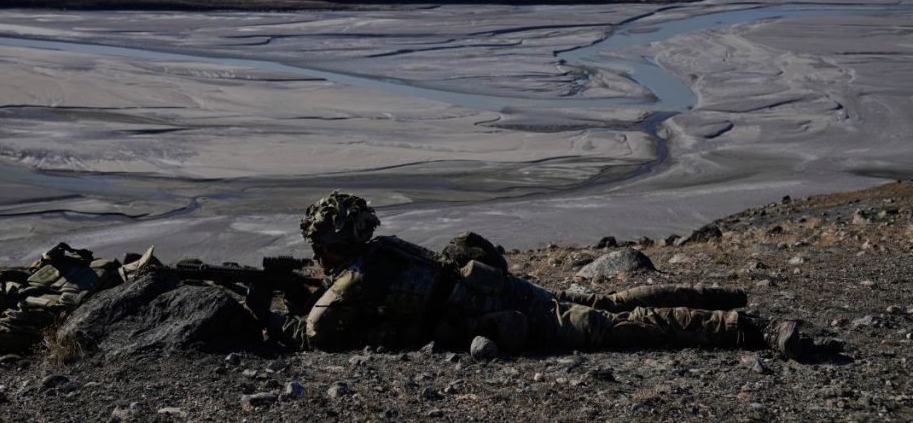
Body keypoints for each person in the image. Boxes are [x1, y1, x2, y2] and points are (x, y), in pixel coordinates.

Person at [259, 191, 811, 359]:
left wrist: (281, 316)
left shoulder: (358, 274)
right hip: (502, 293)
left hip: (499, 310)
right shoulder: (386, 249)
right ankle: (721, 295)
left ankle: (747, 326)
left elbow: (317, 334)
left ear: (331, 243)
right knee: (606, 303)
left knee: (620, 328)